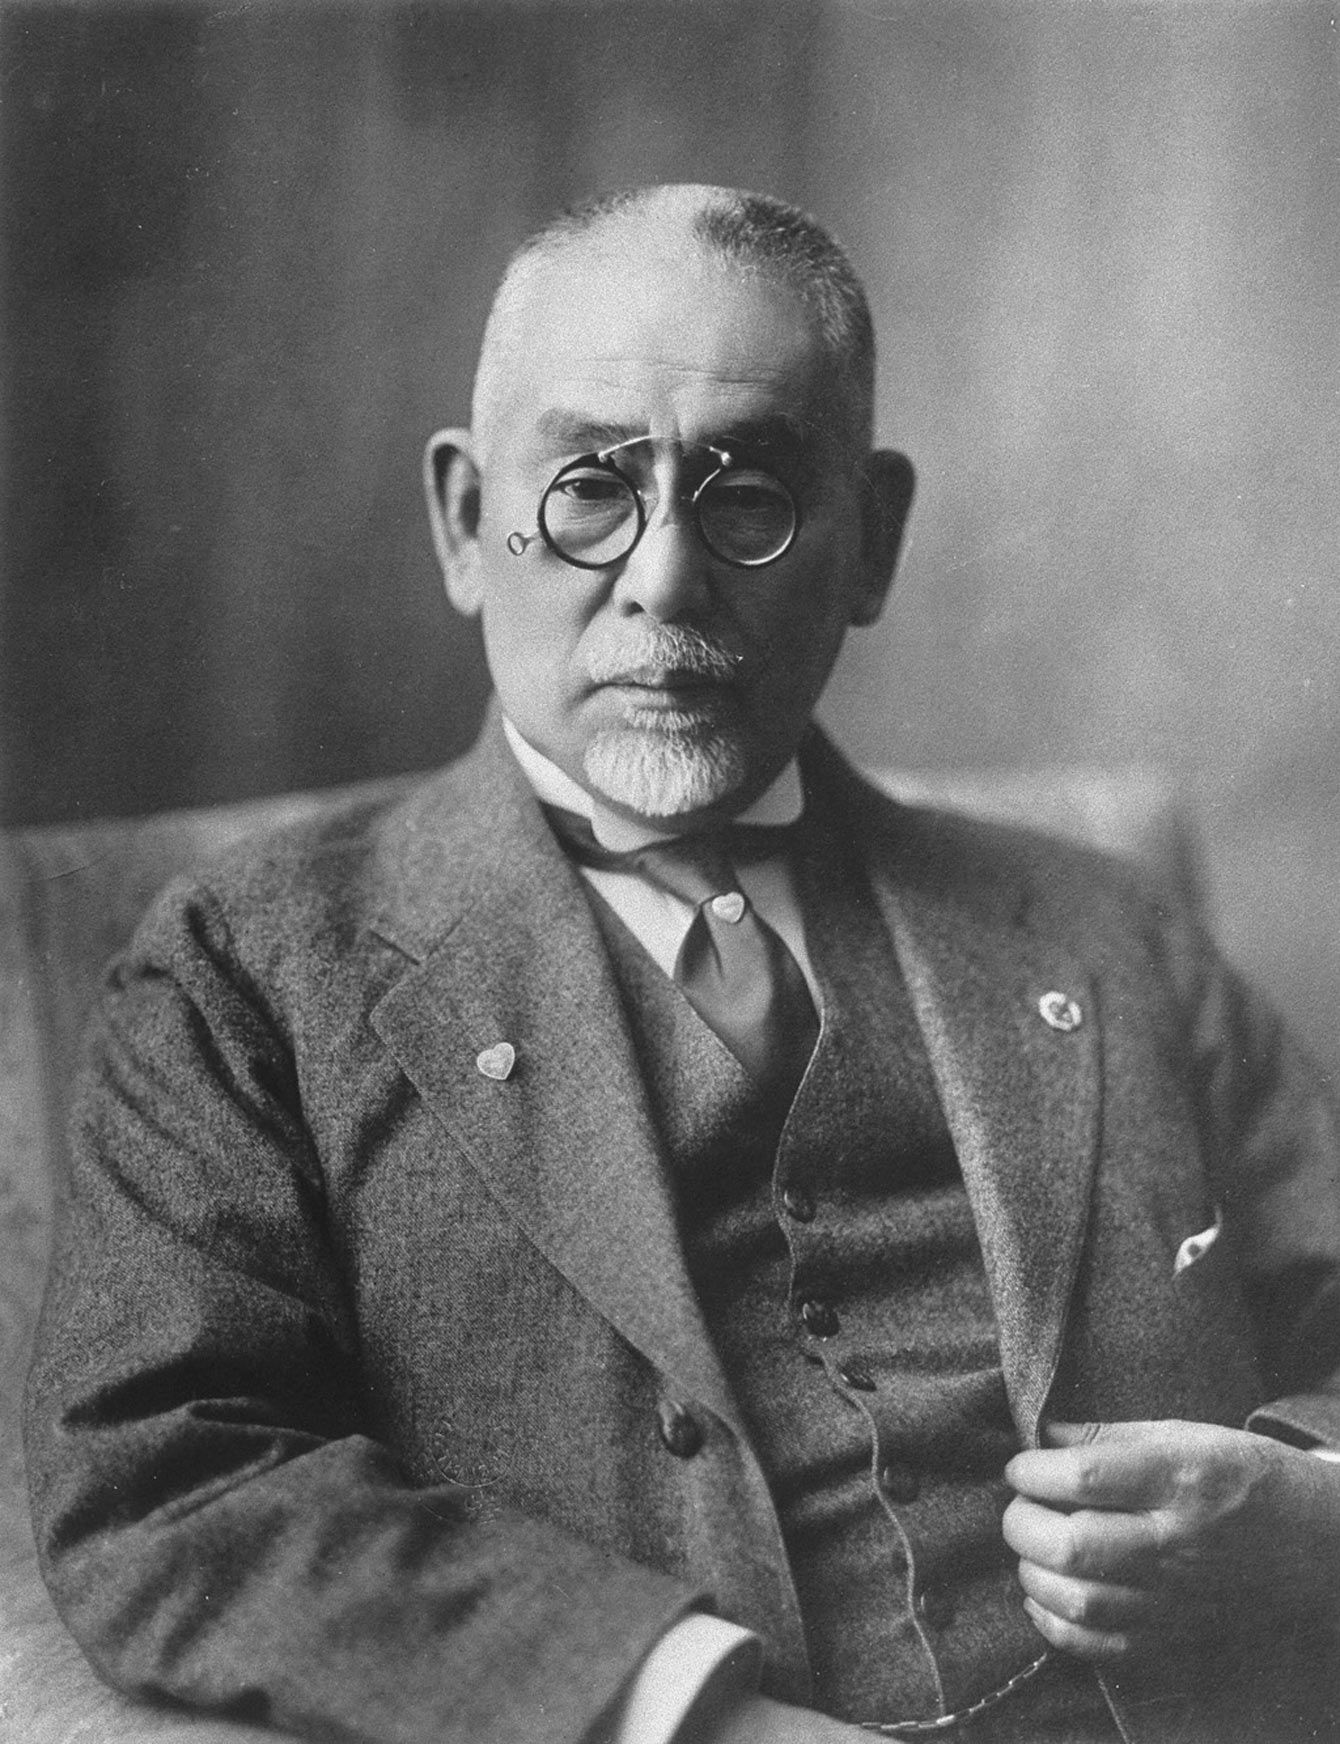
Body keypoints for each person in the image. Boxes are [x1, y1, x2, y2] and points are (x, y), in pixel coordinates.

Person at [24, 184, 1340, 1744]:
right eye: (589, 489)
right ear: (464, 520)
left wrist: (1307, 1510)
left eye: (751, 497)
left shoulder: (1102, 929)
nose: (661, 579)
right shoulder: (247, 972)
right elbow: (168, 1485)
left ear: (871, 542)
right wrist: (682, 1711)